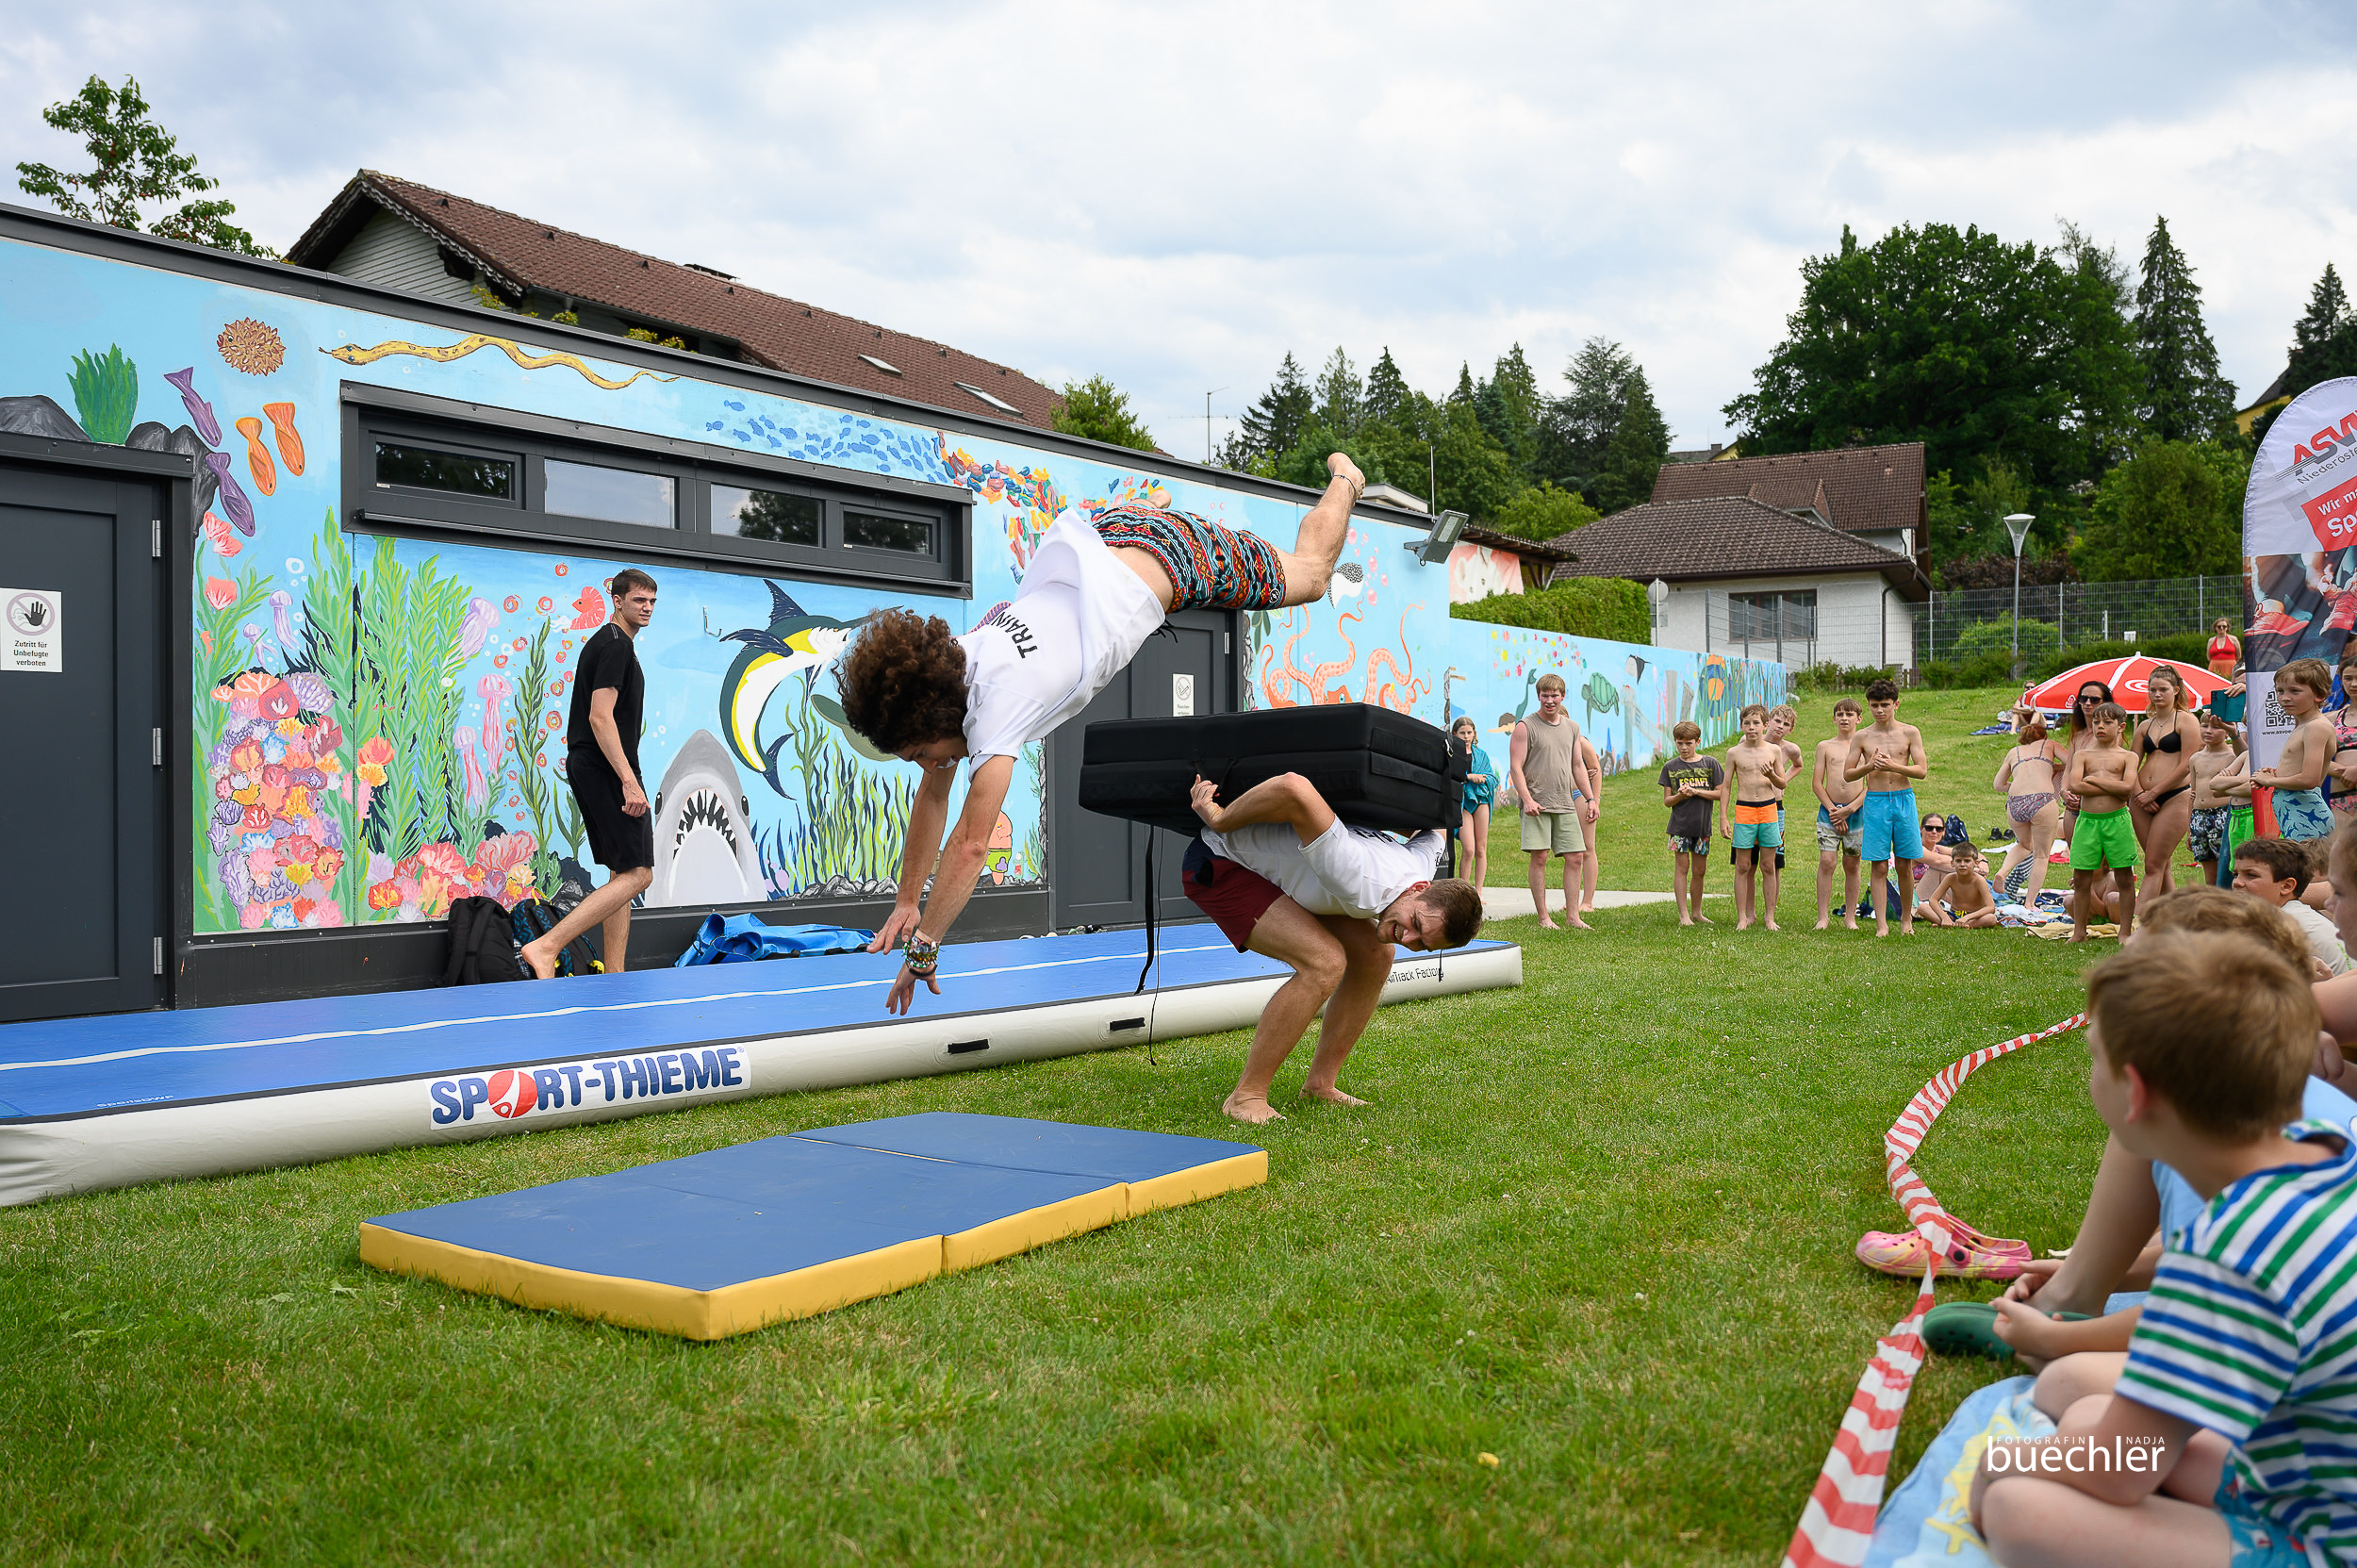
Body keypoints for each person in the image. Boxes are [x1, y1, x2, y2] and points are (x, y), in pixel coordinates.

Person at [839, 454, 1367, 1015]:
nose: (928, 764)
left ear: (935, 720)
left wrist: (924, 951)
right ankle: (1150, 504)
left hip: (1169, 559)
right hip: (1098, 533)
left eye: (921, 752)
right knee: (1139, 535)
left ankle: (1346, 479)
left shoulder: (999, 707)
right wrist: (905, 900)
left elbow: (971, 846)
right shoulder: (955, 661)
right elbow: (934, 793)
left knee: (1310, 576)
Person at [1970, 932, 2357, 1568]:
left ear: (2137, 1092)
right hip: (2310, 1465)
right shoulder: (2323, 1157)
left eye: (2095, 1058)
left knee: (2019, 1504)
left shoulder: (2231, 1249)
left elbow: (2123, 1469)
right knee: (2084, 1402)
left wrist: (2001, 1460)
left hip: (2326, 1534)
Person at [1180, 771, 1484, 1124]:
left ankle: (1320, 1085)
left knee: (1377, 954)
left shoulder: (1420, 866)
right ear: (1419, 891)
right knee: (1324, 962)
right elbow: (1293, 787)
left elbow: (1433, 832)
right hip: (1222, 862)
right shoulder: (1358, 876)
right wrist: (1220, 818)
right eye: (1416, 925)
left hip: (1291, 878)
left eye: (1423, 945)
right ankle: (1246, 1096)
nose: (1408, 939)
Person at [521, 569, 658, 980]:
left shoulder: (609, 643)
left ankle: (614, 973)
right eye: (638, 600)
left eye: (652, 601)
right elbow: (601, 718)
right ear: (617, 601)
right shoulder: (615, 645)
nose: (647, 608)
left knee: (621, 869)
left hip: (593, 764)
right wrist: (629, 780)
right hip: (603, 766)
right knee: (639, 873)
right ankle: (545, 947)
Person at [1508, 673, 1599, 932]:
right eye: (1545, 696)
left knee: (1576, 858)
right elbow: (1516, 767)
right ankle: (1544, 917)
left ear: (1562, 696)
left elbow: (1577, 765)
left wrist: (1591, 798)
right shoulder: (1525, 727)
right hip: (1537, 804)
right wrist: (1526, 799)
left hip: (1565, 803)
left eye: (1554, 695)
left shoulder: (1572, 728)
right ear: (1538, 696)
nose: (1550, 701)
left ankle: (1573, 916)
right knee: (1540, 858)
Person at [1844, 678, 1928, 937]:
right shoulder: (1862, 736)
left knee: (1904, 864)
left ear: (1896, 704)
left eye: (1885, 705)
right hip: (1876, 802)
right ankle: (1881, 925)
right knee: (1879, 865)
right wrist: (1869, 767)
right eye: (1874, 705)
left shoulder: (1910, 732)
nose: (1879, 710)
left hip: (1903, 799)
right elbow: (1848, 774)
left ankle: (1906, 919)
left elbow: (1921, 770)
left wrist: (1894, 766)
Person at [2067, 701, 2141, 941]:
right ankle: (2080, 931)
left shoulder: (2128, 756)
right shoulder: (2083, 755)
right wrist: (2113, 788)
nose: (2100, 726)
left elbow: (2127, 787)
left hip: (2117, 821)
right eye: (2097, 721)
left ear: (2120, 727)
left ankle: (2125, 931)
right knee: (2081, 877)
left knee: (2124, 876)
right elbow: (2075, 785)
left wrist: (2094, 780)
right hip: (2088, 821)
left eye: (2107, 722)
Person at [2129, 665, 2200, 899]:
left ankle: (2139, 924)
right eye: (2153, 690)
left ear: (2176, 691)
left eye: (2163, 689)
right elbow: (2131, 763)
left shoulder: (2187, 721)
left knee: (2152, 865)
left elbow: (2187, 763)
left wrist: (2154, 792)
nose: (2157, 694)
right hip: (2140, 798)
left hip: (2175, 795)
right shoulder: (2143, 726)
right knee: (2160, 863)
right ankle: (2174, 918)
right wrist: (2140, 794)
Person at [2232, 836, 2349, 977]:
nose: (2237, 882)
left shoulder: (2278, 924)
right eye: (2236, 874)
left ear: (2286, 886)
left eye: (2251, 875)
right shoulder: (2296, 913)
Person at [2253, 658, 2336, 844]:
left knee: (2309, 871)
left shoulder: (2316, 727)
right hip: (2295, 812)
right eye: (2280, 691)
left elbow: (2310, 780)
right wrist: (2276, 773)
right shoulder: (2303, 724)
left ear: (2320, 695)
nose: (2285, 698)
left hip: (2306, 813)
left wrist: (2271, 780)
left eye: (2295, 691)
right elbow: (2299, 771)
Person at [1723, 704, 1790, 933]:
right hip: (1745, 810)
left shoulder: (1773, 751)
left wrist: (1771, 774)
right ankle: (1742, 917)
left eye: (1756, 723)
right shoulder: (1734, 753)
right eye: (1746, 723)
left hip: (1769, 809)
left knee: (1768, 865)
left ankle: (1769, 917)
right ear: (1741, 726)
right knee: (1742, 865)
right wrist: (1723, 817)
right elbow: (1726, 787)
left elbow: (1782, 783)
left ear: (1765, 725)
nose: (1751, 728)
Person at [1994, 707, 2066, 908]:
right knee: (2041, 855)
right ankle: (2030, 903)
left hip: (2015, 803)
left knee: (2025, 845)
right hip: (2042, 799)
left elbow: (1998, 785)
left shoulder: (2013, 752)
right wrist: (2057, 768)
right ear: (2044, 737)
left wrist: (2021, 788)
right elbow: (2073, 762)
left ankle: (2002, 872)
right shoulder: (2049, 745)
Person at [1658, 721, 1722, 928]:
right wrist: (1680, 796)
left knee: (1700, 870)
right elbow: (1667, 801)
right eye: (1680, 743)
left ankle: (1697, 912)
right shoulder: (1670, 767)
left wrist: (1696, 792)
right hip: (1679, 827)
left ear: (1698, 742)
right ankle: (1683, 914)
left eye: (1688, 743)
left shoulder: (1710, 764)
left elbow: (1721, 793)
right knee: (1682, 868)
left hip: (1702, 827)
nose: (1684, 748)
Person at [1814, 697, 1865, 930]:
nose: (1844, 718)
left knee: (1852, 864)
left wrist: (1850, 809)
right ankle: (1822, 917)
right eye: (1840, 714)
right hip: (1829, 812)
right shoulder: (1825, 746)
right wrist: (1834, 811)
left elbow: (1872, 784)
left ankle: (1850, 917)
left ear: (1859, 718)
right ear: (1834, 719)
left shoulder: (1865, 745)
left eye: (1849, 714)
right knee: (1827, 861)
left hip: (1857, 812)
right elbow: (1817, 783)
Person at [2185, 710, 2240, 890]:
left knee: (2226, 867)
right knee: (2208, 872)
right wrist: (2189, 829)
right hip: (2199, 817)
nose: (2208, 730)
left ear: (2227, 731)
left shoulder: (2232, 756)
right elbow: (2192, 795)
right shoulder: (2195, 758)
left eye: (2215, 727)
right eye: (2204, 725)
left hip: (2222, 815)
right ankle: (2214, 908)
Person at [2059, 679, 2116, 846]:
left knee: (2101, 865)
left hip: (2097, 805)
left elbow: (2107, 772)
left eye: (2094, 699)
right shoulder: (2077, 736)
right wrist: (2064, 792)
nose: (2087, 703)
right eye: (2083, 699)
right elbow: (2068, 768)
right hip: (2072, 806)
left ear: (2106, 703)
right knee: (2077, 859)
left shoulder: (2110, 735)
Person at [1452, 717, 1494, 894]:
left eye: (1469, 732)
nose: (1466, 736)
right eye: (1462, 733)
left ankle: (1478, 891)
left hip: (1481, 800)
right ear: (1455, 734)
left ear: (1474, 733)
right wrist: (1469, 777)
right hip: (1463, 803)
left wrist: (1482, 778)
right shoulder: (1453, 754)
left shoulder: (1481, 754)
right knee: (1469, 849)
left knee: (1481, 848)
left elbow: (1492, 777)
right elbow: (1450, 775)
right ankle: (1463, 892)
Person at [1922, 841, 1998, 928]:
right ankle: (1950, 923)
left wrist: (1967, 917)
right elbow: (1933, 900)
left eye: (1967, 861)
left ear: (1976, 863)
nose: (1962, 864)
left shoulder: (1979, 881)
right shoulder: (1950, 878)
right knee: (1922, 908)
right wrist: (1945, 917)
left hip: (1973, 917)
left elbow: (1991, 907)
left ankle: (1958, 925)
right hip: (1954, 915)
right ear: (1952, 863)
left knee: (1991, 918)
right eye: (1958, 861)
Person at [1574, 729, 1607, 916]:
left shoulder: (1580, 742)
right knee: (1571, 851)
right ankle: (1571, 899)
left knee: (1587, 847)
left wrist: (1594, 800)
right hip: (1561, 795)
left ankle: (1587, 901)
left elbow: (1597, 771)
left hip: (1582, 795)